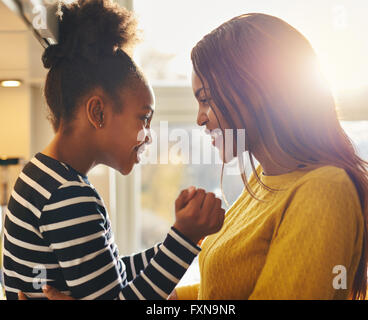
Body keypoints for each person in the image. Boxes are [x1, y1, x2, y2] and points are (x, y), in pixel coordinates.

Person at [20, 12, 368, 301]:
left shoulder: (324, 191)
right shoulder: (266, 179)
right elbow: (220, 294)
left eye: (206, 98)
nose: (199, 118)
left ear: (256, 93)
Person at [3, 0, 225, 300]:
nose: (148, 136)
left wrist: (180, 235)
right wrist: (184, 239)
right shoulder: (69, 196)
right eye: (144, 118)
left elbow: (108, 272)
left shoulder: (39, 175)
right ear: (98, 112)